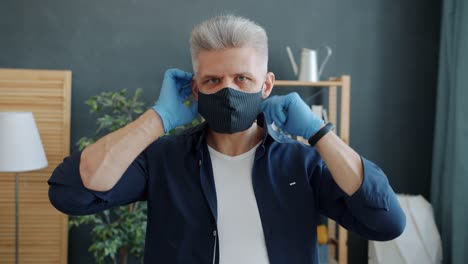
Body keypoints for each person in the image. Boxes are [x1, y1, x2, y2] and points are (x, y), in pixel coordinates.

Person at [48, 15, 406, 264]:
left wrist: (318, 132)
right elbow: (73, 192)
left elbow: (386, 221)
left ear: (266, 85)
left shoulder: (302, 162)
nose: (228, 90)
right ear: (196, 88)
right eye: (213, 80)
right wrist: (158, 118)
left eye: (242, 79)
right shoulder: (163, 159)